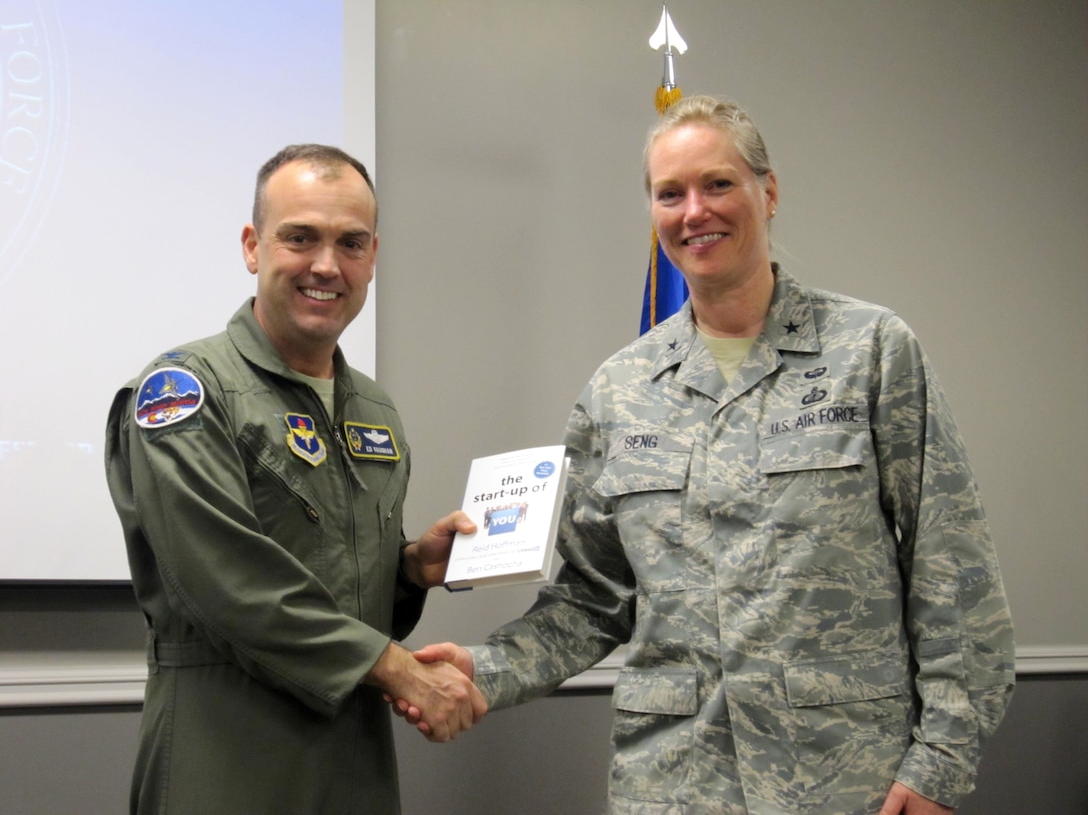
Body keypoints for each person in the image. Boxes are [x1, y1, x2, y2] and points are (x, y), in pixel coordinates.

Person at [400, 97, 1015, 814]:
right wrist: (486, 669)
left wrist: (939, 761)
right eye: (671, 193)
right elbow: (596, 597)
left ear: (769, 192)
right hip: (677, 785)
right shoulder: (618, 392)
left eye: (718, 184)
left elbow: (953, 565)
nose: (695, 211)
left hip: (846, 780)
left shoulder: (871, 352)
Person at [104, 144, 487, 815]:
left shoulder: (375, 410)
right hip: (225, 758)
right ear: (253, 247)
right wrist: (403, 672)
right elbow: (229, 587)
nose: (326, 266)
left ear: (373, 258)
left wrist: (408, 571)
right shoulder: (185, 392)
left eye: (352, 243)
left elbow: (345, 591)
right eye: (300, 238)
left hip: (354, 765)